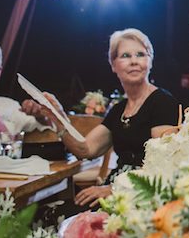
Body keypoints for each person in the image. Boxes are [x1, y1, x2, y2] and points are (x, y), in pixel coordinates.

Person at [37, 29, 179, 208]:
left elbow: (162, 165)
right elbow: (85, 149)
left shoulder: (163, 102)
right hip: (114, 188)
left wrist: (113, 189)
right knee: (48, 214)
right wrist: (58, 118)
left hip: (142, 194)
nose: (134, 61)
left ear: (150, 61)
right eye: (126, 55)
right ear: (113, 64)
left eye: (141, 54)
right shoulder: (119, 109)